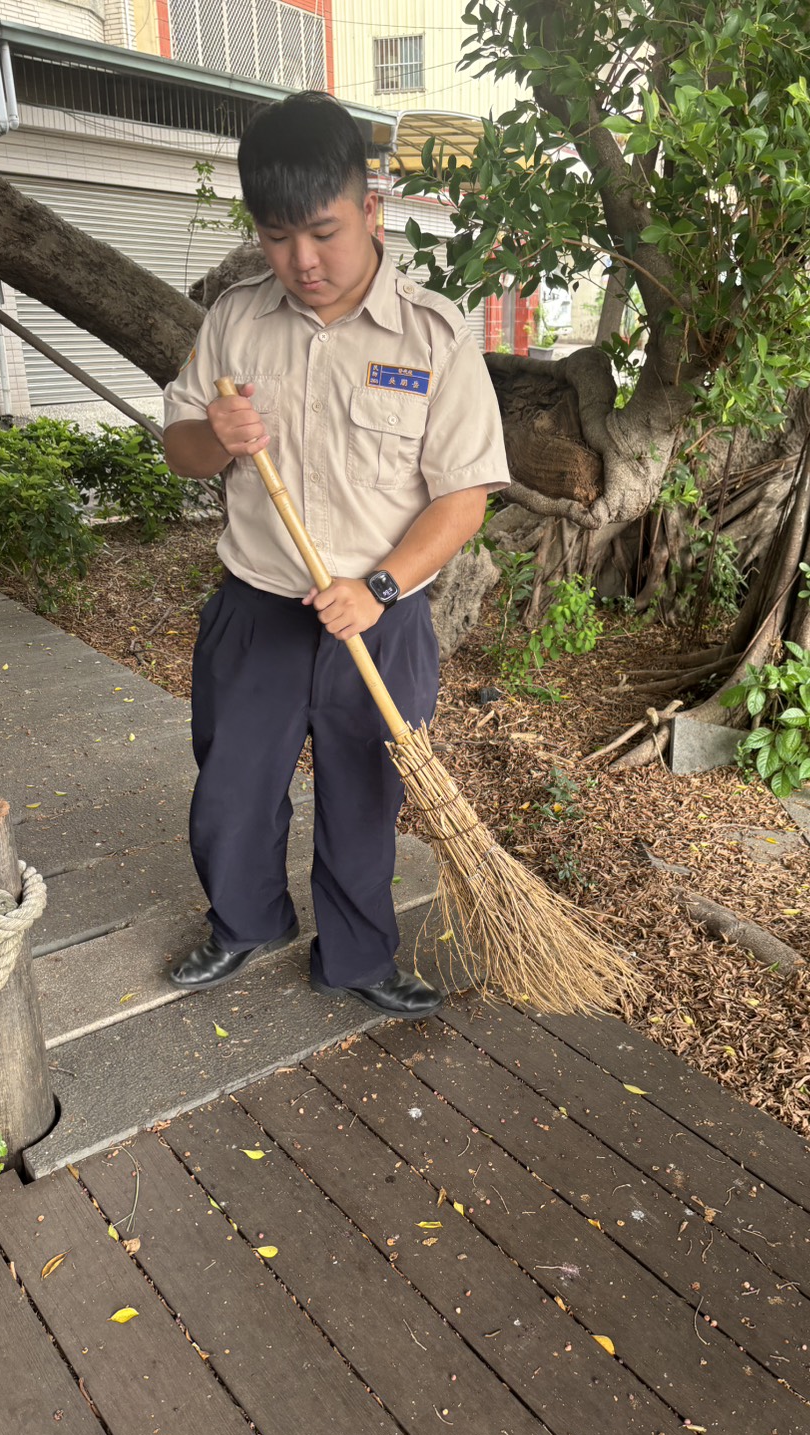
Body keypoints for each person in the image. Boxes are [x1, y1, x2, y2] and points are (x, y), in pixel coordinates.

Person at [162, 91, 510, 1019]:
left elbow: (464, 495)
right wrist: (217, 435)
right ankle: (244, 922)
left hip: (380, 615)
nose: (302, 262)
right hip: (258, 607)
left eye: (321, 232)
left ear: (371, 211)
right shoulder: (236, 321)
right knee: (232, 790)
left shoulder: (434, 336)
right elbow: (179, 448)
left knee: (364, 795)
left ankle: (356, 957)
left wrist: (382, 585)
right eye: (278, 238)